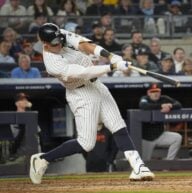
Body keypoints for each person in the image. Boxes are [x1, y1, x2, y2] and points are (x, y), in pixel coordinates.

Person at [29, 23, 154, 184]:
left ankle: (138, 167)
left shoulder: (59, 35)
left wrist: (110, 55)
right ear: (45, 45)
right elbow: (84, 73)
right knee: (86, 143)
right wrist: (112, 66)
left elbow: (85, 45)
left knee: (118, 125)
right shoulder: (53, 64)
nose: (59, 44)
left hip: (96, 85)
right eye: (54, 44)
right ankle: (43, 159)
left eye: (60, 40)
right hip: (81, 94)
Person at [139, 83, 182, 160]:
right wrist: (161, 106)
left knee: (177, 138)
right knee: (145, 163)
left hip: (160, 135)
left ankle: (169, 163)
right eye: (153, 92)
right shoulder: (145, 98)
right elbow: (143, 106)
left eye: (157, 91)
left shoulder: (164, 98)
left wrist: (170, 106)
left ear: (160, 92)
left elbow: (179, 104)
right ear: (148, 93)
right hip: (147, 138)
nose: (155, 94)